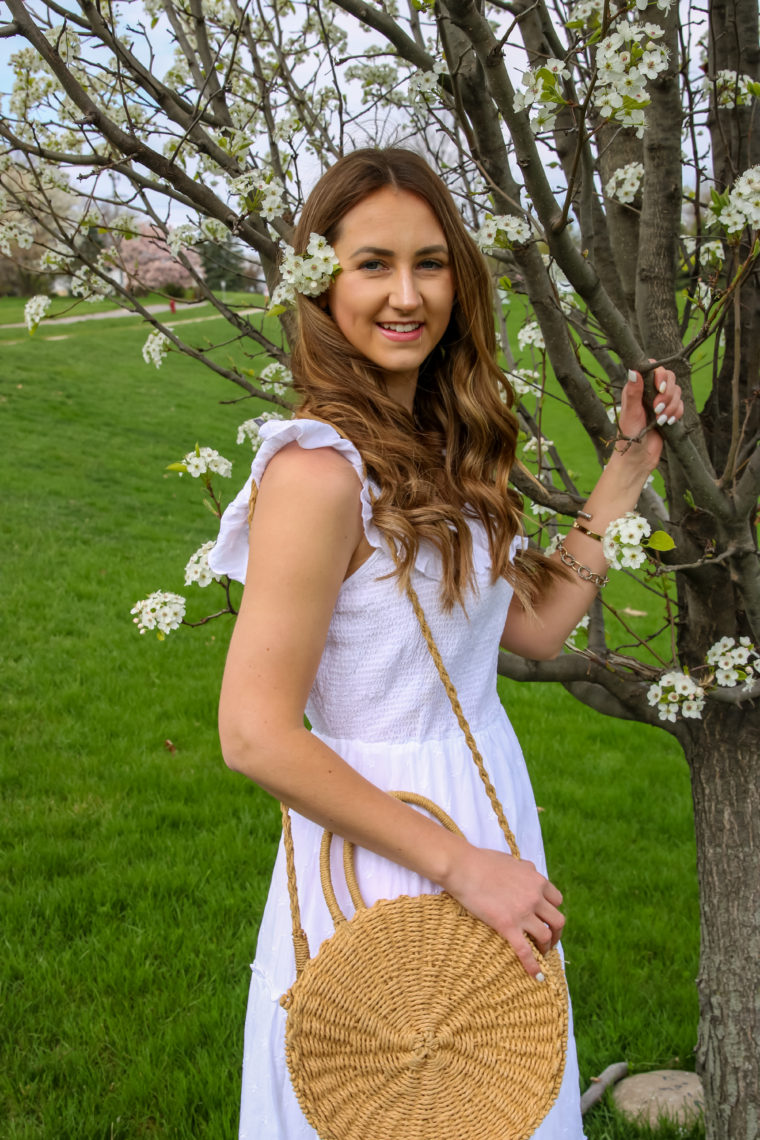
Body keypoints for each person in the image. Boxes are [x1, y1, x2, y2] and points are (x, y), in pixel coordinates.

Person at [210, 147, 683, 1140]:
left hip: (482, 801)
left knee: (494, 1087)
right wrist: (460, 866)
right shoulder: (316, 474)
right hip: (382, 834)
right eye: (373, 263)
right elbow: (254, 734)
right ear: (320, 278)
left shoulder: (444, 448)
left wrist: (628, 467)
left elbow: (537, 625)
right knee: (394, 1097)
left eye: (429, 263)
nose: (406, 293)